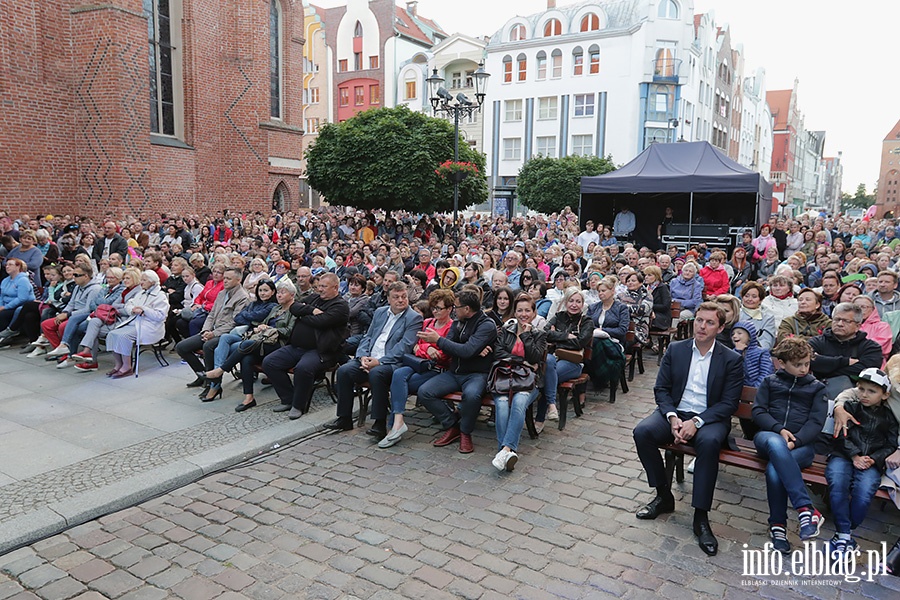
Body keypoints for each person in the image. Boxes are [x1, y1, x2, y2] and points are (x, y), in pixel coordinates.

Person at [632, 302, 743, 556]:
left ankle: (701, 517)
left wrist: (697, 422)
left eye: (710, 322)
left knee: (709, 443)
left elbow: (729, 403)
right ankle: (663, 495)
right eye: (699, 320)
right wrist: (672, 417)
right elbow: (661, 389)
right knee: (643, 432)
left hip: (710, 418)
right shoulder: (677, 349)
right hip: (676, 412)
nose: (702, 326)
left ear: (721, 327)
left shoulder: (731, 359)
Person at [751, 338, 828, 554]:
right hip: (768, 438)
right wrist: (779, 429)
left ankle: (778, 526)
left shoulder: (816, 388)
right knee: (776, 443)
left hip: (802, 447)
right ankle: (805, 508)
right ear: (782, 363)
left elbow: (816, 422)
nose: (804, 369)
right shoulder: (770, 382)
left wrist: (797, 441)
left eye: (806, 363)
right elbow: (758, 412)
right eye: (798, 364)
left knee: (775, 471)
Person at [327, 281, 422, 432]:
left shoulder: (413, 318)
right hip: (369, 359)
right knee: (344, 371)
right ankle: (344, 418)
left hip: (392, 363)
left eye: (404, 296)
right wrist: (362, 357)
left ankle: (379, 422)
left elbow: (404, 347)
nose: (400, 300)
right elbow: (368, 337)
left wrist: (379, 362)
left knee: (377, 374)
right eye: (396, 297)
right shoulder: (381, 312)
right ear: (389, 299)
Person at [826, 368, 899, 557]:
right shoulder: (851, 407)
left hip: (871, 462)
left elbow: (890, 444)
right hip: (844, 455)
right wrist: (854, 455)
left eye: (872, 391)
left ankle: (844, 532)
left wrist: (873, 459)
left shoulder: (890, 417)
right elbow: (840, 435)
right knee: (837, 481)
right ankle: (844, 534)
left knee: (865, 491)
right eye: (861, 389)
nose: (864, 395)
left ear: (885, 395)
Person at [415, 289, 498, 454]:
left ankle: (466, 432)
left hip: (477, 373)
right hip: (454, 372)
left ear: (467, 309)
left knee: (472, 395)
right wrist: (469, 349)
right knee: (425, 392)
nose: (453, 310)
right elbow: (454, 349)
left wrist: (440, 341)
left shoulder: (486, 325)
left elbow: (465, 350)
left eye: (456, 307)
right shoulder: (456, 323)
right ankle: (453, 425)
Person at [262, 273, 350, 416]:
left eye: (324, 286)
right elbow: (294, 307)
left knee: (303, 368)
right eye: (319, 286)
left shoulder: (340, 305)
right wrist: (312, 311)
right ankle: (288, 399)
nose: (320, 289)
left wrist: (303, 316)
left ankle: (298, 406)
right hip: (296, 346)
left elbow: (321, 322)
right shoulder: (315, 298)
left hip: (321, 351)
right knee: (270, 362)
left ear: (335, 287)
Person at [203, 280, 297, 412]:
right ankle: (249, 398)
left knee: (246, 344)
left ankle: (220, 370)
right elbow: (256, 321)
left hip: (280, 344)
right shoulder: (276, 308)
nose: (279, 295)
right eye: (279, 292)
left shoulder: (295, 310)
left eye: (283, 292)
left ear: (292, 295)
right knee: (246, 358)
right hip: (264, 341)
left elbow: (289, 332)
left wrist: (271, 329)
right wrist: (260, 327)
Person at [379, 289, 455, 448]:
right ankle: (397, 423)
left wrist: (426, 349)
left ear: (449, 309)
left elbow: (444, 356)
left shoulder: (451, 327)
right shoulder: (427, 322)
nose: (435, 311)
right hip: (416, 363)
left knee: (403, 383)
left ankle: (394, 425)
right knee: (398, 374)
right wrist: (427, 348)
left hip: (436, 369)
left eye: (439, 308)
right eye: (434, 307)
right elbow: (414, 345)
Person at [489, 293, 547, 472]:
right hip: (504, 378)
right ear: (514, 311)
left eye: (527, 311)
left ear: (533, 312)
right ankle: (506, 453)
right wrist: (521, 361)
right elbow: (498, 353)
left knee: (519, 402)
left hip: (529, 381)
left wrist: (527, 335)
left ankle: (504, 450)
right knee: (502, 404)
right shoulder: (506, 330)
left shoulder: (539, 334)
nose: (523, 314)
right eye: (519, 310)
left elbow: (535, 357)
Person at [176, 268, 250, 392]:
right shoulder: (222, 293)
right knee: (181, 347)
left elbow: (234, 321)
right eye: (224, 278)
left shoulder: (243, 297)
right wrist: (205, 330)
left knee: (208, 346)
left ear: (238, 280)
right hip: (211, 330)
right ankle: (203, 375)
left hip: (226, 333)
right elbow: (211, 315)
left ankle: (213, 384)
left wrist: (214, 333)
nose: (225, 281)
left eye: (228, 278)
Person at [539, 287, 593, 431]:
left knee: (547, 378)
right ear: (565, 302)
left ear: (582, 304)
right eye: (571, 301)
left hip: (573, 361)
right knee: (549, 365)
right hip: (553, 358)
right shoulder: (559, 316)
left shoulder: (587, 322)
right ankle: (551, 407)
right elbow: (544, 334)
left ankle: (540, 418)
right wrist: (565, 336)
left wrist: (555, 335)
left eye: (578, 301)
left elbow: (580, 342)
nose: (574, 305)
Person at [69, 267, 140, 371]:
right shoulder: (124, 290)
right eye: (124, 278)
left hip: (126, 321)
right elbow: (114, 304)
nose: (125, 281)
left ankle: (92, 359)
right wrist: (120, 307)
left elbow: (130, 310)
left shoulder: (138, 291)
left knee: (92, 328)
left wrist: (118, 308)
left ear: (135, 278)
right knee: (93, 322)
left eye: (127, 278)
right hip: (113, 317)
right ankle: (86, 352)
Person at [808, 302, 883, 400]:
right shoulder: (816, 342)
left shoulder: (871, 347)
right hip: (816, 393)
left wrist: (824, 366)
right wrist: (845, 362)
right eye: (837, 319)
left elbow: (865, 372)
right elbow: (808, 361)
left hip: (855, 399)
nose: (839, 324)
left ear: (857, 326)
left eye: (846, 321)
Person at [103, 270, 170, 378]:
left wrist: (144, 310)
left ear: (152, 282)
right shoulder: (141, 293)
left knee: (124, 336)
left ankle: (127, 366)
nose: (141, 282)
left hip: (150, 326)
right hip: (135, 322)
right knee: (112, 334)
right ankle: (118, 364)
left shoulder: (160, 296)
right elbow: (129, 304)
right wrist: (133, 309)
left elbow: (160, 316)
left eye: (144, 280)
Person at [586, 278, 629, 396]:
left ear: (612, 291)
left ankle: (600, 377)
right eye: (599, 291)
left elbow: (622, 330)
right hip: (593, 341)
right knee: (591, 344)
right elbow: (586, 325)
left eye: (603, 290)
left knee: (596, 343)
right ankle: (596, 375)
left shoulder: (621, 308)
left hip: (614, 342)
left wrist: (602, 331)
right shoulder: (593, 307)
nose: (600, 293)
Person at [854, 294, 892, 366]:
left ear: (873, 309)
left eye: (864, 307)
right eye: (856, 307)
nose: (859, 310)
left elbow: (879, 346)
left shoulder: (883, 326)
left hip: (875, 365)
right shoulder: (847, 325)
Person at [0, 258, 35, 335]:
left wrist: (5, 307)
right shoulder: (5, 280)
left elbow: (22, 298)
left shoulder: (23, 280)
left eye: (10, 265)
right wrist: (1, 305)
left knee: (2, 314)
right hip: (6, 305)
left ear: (18, 267)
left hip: (20, 306)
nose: (7, 267)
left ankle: (6, 334)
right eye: (6, 265)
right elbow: (1, 295)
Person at [738, 282, 776, 350]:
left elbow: (766, 342)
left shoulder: (768, 318)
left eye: (754, 296)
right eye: (746, 296)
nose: (750, 299)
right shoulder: (735, 314)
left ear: (760, 300)